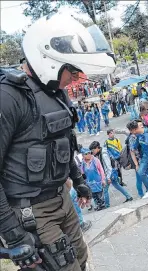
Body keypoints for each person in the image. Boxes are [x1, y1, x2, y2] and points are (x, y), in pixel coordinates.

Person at [0, 11, 116, 271]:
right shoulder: (8, 98)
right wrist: (13, 235)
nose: (76, 78)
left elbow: (62, 143)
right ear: (48, 60)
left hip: (63, 199)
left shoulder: (56, 93)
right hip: (32, 211)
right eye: (72, 70)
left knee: (82, 261)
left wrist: (79, 182)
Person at [89, 141, 133, 207]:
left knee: (105, 190)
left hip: (109, 174)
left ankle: (107, 205)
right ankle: (129, 197)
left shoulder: (103, 154)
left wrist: (108, 177)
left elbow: (108, 166)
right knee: (117, 185)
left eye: (93, 150)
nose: (93, 152)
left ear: (97, 148)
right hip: (112, 172)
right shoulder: (101, 153)